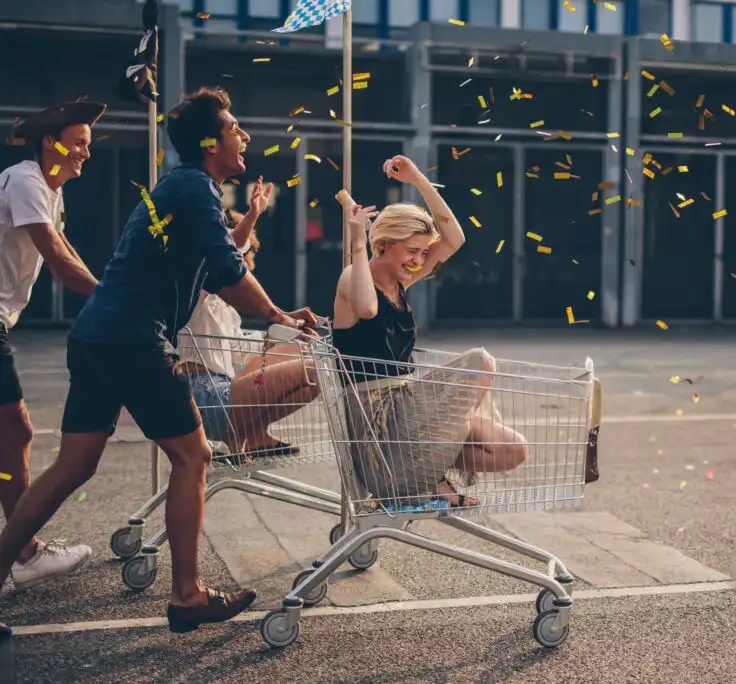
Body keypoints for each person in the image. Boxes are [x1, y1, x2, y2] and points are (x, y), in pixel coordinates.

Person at [0, 86, 319, 641]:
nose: (242, 136)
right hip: (134, 340)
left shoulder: (179, 186)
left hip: (97, 335)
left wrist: (269, 306)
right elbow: (226, 270)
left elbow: (216, 264)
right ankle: (188, 595)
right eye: (233, 127)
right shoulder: (195, 188)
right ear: (207, 142)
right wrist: (278, 314)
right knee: (193, 455)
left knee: (74, 465)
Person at [332, 155, 527, 509]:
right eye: (411, 251)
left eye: (423, 253)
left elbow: (454, 238)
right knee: (480, 362)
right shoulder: (352, 277)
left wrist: (418, 180)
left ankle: (434, 475)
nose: (419, 261)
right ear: (383, 245)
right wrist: (358, 242)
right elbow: (367, 309)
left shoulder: (402, 279)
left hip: (408, 416)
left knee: (511, 449)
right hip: (380, 426)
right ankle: (430, 481)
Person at [0, 101, 107, 595]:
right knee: (15, 431)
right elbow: (57, 260)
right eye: (79, 141)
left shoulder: (48, 190)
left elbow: (67, 251)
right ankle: (24, 553)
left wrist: (107, 288)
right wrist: (113, 297)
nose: (86, 150)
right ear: (52, 142)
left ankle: (23, 551)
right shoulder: (24, 180)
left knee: (12, 435)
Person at [176, 201, 319, 461]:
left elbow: (241, 348)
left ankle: (254, 435)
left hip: (222, 390)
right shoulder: (197, 289)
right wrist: (253, 215)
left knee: (307, 360)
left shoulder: (226, 307)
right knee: (314, 370)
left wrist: (289, 330)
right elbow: (223, 256)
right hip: (203, 396)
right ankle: (246, 434)